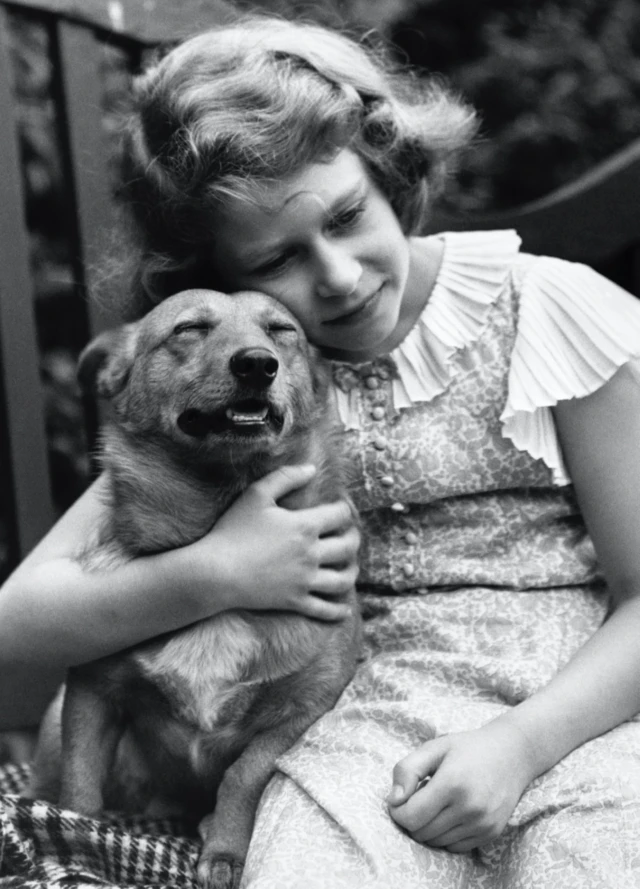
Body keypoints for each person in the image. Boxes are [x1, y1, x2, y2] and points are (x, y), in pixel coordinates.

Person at [2, 13, 640, 889]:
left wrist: (521, 744)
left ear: (390, 173)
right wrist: (215, 571)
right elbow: (20, 618)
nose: (336, 277)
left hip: (573, 712)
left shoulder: (547, 313)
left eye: (347, 215)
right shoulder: (251, 388)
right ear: (216, 273)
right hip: (355, 725)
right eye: (276, 259)